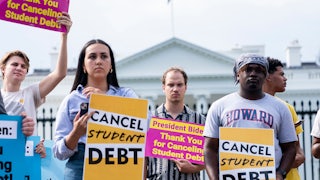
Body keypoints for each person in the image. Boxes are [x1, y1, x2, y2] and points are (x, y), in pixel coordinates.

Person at [53, 39, 139, 180]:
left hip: (118, 162)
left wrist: (105, 101)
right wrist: (76, 133)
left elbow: (145, 123)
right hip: (80, 166)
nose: (98, 61)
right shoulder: (71, 100)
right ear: (83, 66)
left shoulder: (126, 94)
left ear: (111, 65)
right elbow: (58, 152)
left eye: (104, 56)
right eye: (92, 57)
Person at [203, 53, 297, 180]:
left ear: (265, 76)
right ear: (238, 74)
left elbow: (290, 148)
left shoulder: (280, 107)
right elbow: (210, 149)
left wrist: (280, 173)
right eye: (248, 69)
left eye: (259, 70)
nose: (253, 73)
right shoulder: (219, 106)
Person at [0, 12, 72, 157]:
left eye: (23, 66)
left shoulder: (31, 93)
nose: (19, 68)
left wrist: (64, 37)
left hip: (27, 159)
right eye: (15, 64)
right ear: (3, 69)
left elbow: (60, 73)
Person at [145, 67, 205, 180]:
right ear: (163, 87)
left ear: (185, 87)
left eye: (179, 85)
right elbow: (143, 160)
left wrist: (194, 168)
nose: (175, 89)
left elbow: (212, 156)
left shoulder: (200, 120)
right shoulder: (149, 120)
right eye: (171, 85)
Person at [262, 57, 305, 180]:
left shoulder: (287, 108)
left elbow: (299, 154)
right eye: (281, 74)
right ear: (268, 77)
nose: (285, 78)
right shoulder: (248, 109)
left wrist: (279, 171)